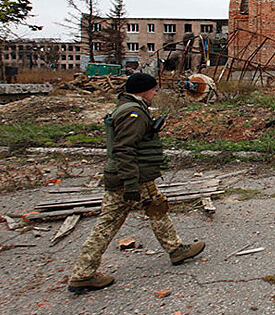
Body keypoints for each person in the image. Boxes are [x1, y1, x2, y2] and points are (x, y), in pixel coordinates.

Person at [68, 73, 205, 294]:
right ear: (143, 90)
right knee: (107, 225)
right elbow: (123, 149)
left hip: (136, 176)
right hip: (130, 178)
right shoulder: (133, 113)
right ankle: (83, 274)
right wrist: (130, 184)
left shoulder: (130, 108)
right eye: (153, 89)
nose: (155, 92)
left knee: (157, 209)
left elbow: (131, 141)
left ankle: (176, 249)